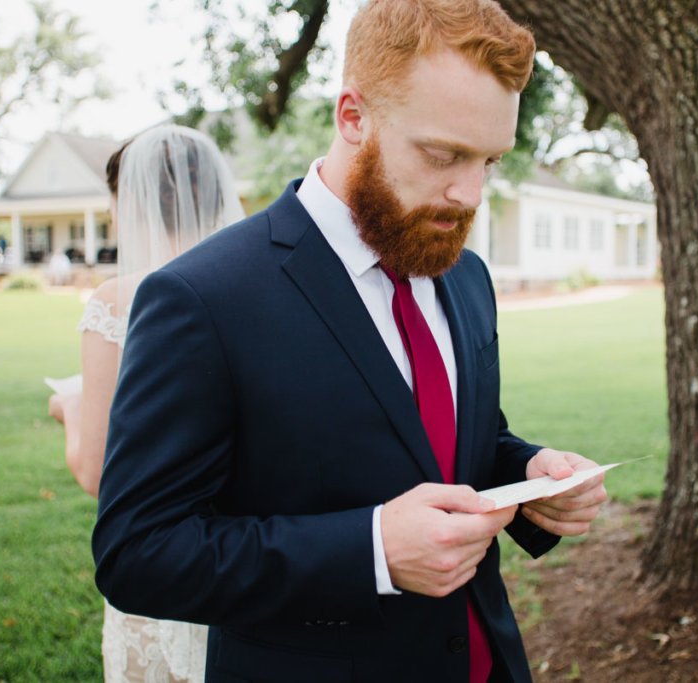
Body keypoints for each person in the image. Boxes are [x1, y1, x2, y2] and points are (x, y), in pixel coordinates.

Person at [92, 1, 609, 681]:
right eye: (444, 153)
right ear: (353, 117)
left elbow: (448, 441)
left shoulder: (468, 276)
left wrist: (528, 473)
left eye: (489, 159)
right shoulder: (204, 297)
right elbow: (138, 552)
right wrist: (370, 550)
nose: (470, 192)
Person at [49, 124, 245, 682]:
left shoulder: (119, 299)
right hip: (245, 561)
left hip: (164, 558)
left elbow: (97, 472)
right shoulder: (254, 284)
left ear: (127, 200)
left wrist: (70, 408)